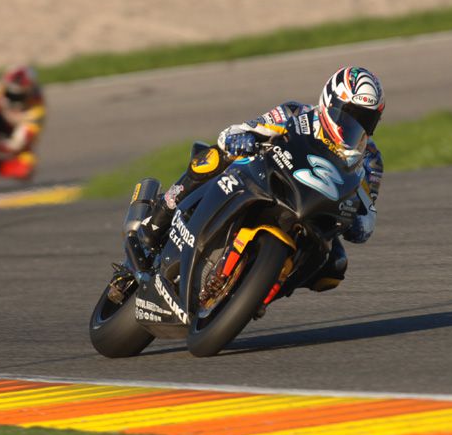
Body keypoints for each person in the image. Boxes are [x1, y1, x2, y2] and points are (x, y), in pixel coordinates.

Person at [138, 66, 385, 292]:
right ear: (330, 101)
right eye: (351, 113)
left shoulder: (371, 160)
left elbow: (367, 218)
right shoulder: (296, 113)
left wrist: (357, 222)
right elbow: (237, 131)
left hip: (315, 212)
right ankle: (157, 220)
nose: (357, 124)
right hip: (271, 181)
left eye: (367, 119)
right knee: (214, 157)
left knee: (334, 267)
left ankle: (260, 292)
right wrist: (240, 138)